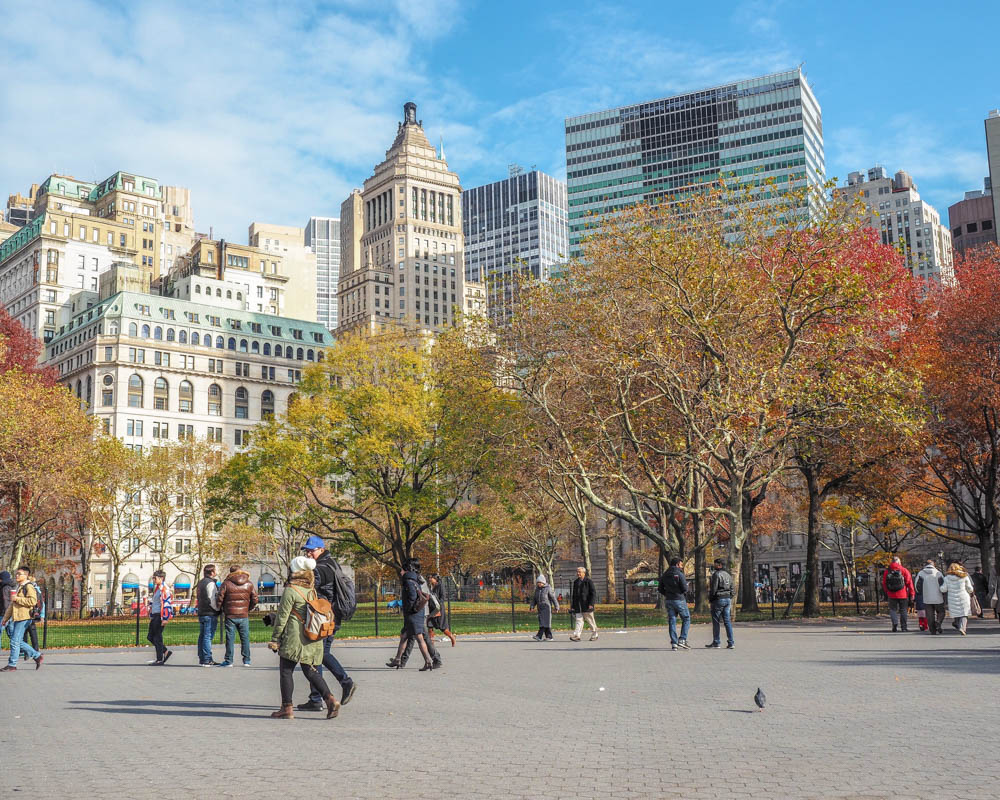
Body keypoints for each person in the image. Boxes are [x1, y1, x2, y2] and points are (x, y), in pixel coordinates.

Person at [267, 556, 340, 719]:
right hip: (311, 635)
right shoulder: (311, 590)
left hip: (294, 637)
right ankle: (330, 700)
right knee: (310, 670)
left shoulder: (291, 590)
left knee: (286, 671)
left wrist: (275, 638)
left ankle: (287, 708)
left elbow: (282, 616)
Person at [296, 536, 356, 710]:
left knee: (320, 654)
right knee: (317, 655)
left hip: (325, 618)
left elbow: (308, 586)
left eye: (311, 550)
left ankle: (345, 682)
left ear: (321, 549)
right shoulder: (331, 564)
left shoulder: (321, 568)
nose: (308, 553)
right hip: (328, 616)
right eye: (306, 550)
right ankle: (316, 698)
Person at [390, 563, 443, 669]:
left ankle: (434, 659)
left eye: (402, 569)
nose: (400, 572)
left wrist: (410, 610)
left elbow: (416, 598)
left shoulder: (415, 580)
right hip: (418, 612)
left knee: (419, 637)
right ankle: (400, 660)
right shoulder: (417, 578)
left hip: (418, 613)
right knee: (408, 636)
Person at [1, 567, 43, 671]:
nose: (17, 576)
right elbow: (12, 605)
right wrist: (5, 619)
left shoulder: (28, 586)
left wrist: (17, 599)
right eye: (17, 574)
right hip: (18, 617)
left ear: (26, 576)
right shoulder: (19, 587)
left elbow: (32, 601)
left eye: (19, 574)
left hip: (24, 617)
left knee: (14, 641)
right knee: (17, 641)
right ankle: (36, 655)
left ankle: (12, 664)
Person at [217, 564, 258, 667]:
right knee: (245, 638)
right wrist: (248, 608)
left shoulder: (226, 584)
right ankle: (247, 660)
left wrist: (221, 608)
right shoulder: (249, 583)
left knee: (230, 638)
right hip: (244, 614)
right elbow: (255, 599)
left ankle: (229, 660)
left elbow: (220, 598)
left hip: (230, 615)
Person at [658, 557, 691, 651]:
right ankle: (682, 639)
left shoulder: (665, 574)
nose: (682, 566)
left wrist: (667, 594)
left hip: (669, 600)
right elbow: (685, 588)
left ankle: (674, 643)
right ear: (677, 564)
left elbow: (660, 589)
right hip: (679, 599)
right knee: (686, 618)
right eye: (681, 564)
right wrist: (681, 593)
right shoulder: (679, 574)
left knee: (672, 620)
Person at [195, 565, 221, 666]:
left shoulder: (201, 582)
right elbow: (212, 599)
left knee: (202, 636)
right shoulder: (210, 583)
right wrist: (217, 609)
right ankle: (207, 658)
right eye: (215, 570)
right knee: (207, 636)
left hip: (202, 611)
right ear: (212, 572)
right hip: (209, 613)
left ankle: (202, 657)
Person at [706, 558, 735, 649]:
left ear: (719, 565)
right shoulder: (728, 575)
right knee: (727, 621)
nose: (714, 566)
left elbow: (713, 589)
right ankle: (731, 642)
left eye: (715, 564)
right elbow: (732, 589)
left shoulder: (716, 575)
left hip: (718, 599)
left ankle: (716, 642)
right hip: (727, 599)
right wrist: (729, 596)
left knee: (716, 621)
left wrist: (711, 599)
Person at [881, 556, 915, 632]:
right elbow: (909, 583)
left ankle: (895, 623)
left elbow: (884, 583)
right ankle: (903, 627)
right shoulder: (904, 570)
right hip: (903, 594)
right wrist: (912, 594)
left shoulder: (887, 571)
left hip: (891, 594)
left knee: (892, 610)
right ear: (899, 562)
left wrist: (887, 591)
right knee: (903, 610)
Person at [146, 570, 173, 665]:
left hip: (160, 616)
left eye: (155, 578)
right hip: (155, 615)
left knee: (157, 637)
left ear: (161, 578)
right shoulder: (158, 588)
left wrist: (165, 618)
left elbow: (167, 603)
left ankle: (159, 659)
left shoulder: (164, 589)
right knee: (150, 637)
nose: (153, 579)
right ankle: (165, 652)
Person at [942, 562, 974, 635]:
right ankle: (962, 628)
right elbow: (969, 588)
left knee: (956, 613)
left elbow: (943, 589)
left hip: (952, 598)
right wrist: (970, 590)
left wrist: (940, 588)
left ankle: (957, 623)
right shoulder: (964, 576)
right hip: (963, 597)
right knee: (964, 613)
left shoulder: (947, 578)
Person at [915, 559, 945, 635]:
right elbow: (943, 584)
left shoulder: (921, 573)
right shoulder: (938, 573)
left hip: (926, 597)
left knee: (929, 615)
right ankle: (938, 622)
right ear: (933, 565)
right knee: (941, 611)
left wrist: (921, 593)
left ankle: (932, 630)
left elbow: (917, 586)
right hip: (938, 597)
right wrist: (943, 593)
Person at [569, 567, 598, 642]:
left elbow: (593, 593)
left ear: (584, 573)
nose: (578, 573)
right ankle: (577, 635)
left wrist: (591, 604)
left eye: (579, 572)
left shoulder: (588, 581)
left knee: (590, 621)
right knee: (579, 620)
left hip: (587, 605)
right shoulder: (576, 582)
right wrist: (573, 606)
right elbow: (574, 595)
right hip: (578, 605)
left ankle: (595, 634)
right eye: (577, 572)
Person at [427, 574, 456, 647]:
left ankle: (452, 637)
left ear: (435, 579)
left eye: (431, 578)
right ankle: (431, 644)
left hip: (438, 609)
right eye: (429, 578)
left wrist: (438, 605)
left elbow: (443, 598)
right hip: (431, 609)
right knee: (429, 625)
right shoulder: (430, 586)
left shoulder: (440, 586)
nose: (429, 579)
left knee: (442, 627)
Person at [530, 574, 559, 641]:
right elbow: (534, 599)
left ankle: (539, 636)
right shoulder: (537, 589)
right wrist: (532, 606)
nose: (539, 584)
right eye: (538, 582)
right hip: (540, 608)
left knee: (544, 623)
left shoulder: (548, 588)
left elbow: (553, 598)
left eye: (540, 582)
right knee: (544, 622)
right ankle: (549, 636)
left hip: (546, 608)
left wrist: (556, 607)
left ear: (543, 582)